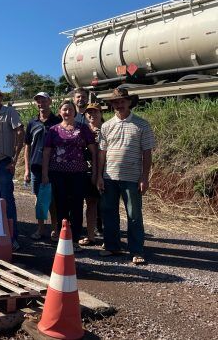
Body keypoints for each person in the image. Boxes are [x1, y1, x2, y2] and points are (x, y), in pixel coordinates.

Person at [97, 88, 155, 265]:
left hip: (132, 178)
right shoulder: (106, 126)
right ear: (112, 104)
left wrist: (144, 177)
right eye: (115, 102)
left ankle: (136, 251)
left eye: (122, 101)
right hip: (109, 176)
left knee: (134, 215)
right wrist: (99, 176)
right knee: (109, 213)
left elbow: (147, 153)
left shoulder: (142, 124)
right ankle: (112, 246)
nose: (119, 104)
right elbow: (102, 152)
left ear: (129, 102)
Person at [42, 99, 96, 252]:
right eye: (64, 109)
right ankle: (63, 238)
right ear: (60, 112)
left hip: (78, 173)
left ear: (74, 112)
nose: (67, 112)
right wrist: (45, 174)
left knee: (77, 206)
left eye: (70, 109)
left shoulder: (83, 128)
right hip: (57, 173)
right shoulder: (53, 130)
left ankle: (75, 239)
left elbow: (93, 151)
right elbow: (46, 153)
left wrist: (95, 172)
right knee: (61, 206)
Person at [0, 85, 24, 251]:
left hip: (3, 163)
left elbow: (20, 133)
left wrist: (14, 159)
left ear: (0, 97)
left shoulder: (9, 113)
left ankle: (12, 237)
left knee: (7, 201)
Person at [24, 91, 61, 240]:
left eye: (44, 100)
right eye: (38, 101)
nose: (41, 103)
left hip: (54, 167)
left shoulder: (57, 121)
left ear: (50, 101)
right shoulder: (32, 123)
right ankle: (40, 229)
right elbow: (27, 146)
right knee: (39, 199)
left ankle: (54, 229)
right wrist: (26, 169)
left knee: (53, 200)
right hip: (35, 167)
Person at [79, 102, 104, 246]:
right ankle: (90, 235)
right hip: (84, 171)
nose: (92, 115)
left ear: (101, 113)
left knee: (104, 205)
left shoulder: (106, 129)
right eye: (89, 112)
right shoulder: (82, 129)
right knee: (89, 203)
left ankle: (109, 238)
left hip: (104, 172)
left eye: (95, 112)